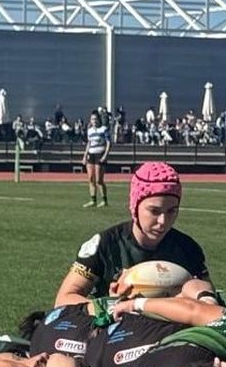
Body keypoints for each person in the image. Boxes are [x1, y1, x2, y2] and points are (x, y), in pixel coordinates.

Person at [53, 162, 212, 307]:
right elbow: (64, 299)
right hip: (113, 334)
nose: (163, 221)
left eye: (172, 211)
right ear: (134, 207)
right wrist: (110, 306)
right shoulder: (106, 244)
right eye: (154, 211)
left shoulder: (188, 248)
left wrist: (201, 298)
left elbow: (206, 297)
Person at [82, 113, 112, 208]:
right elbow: (89, 143)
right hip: (91, 154)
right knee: (91, 178)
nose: (94, 121)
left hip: (100, 153)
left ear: (99, 120)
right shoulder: (90, 131)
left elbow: (108, 143)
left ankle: (104, 200)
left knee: (99, 179)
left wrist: (105, 155)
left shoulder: (103, 129)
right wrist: (85, 155)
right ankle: (93, 200)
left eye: (95, 119)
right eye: (92, 119)